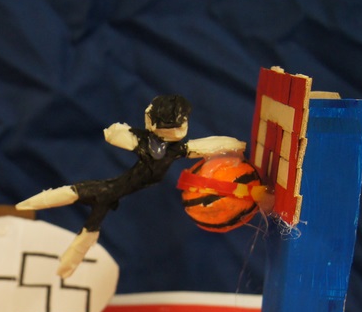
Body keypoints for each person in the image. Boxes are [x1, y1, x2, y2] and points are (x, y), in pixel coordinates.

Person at [17, 95, 244, 277]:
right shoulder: (143, 141)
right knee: (79, 203)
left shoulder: (174, 149)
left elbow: (205, 146)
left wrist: (235, 145)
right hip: (113, 188)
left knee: (88, 221)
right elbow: (113, 134)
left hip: (115, 189)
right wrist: (125, 134)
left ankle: (65, 264)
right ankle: (62, 256)